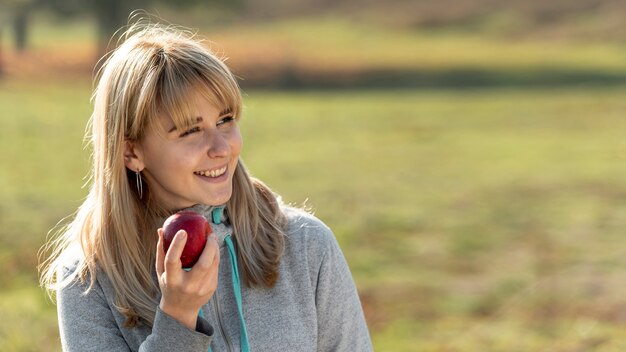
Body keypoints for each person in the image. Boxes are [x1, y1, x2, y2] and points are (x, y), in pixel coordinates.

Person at [39, 21, 373, 352]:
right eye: (190, 131)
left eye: (225, 120)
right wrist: (178, 318)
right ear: (131, 152)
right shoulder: (88, 280)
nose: (221, 148)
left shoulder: (305, 245)